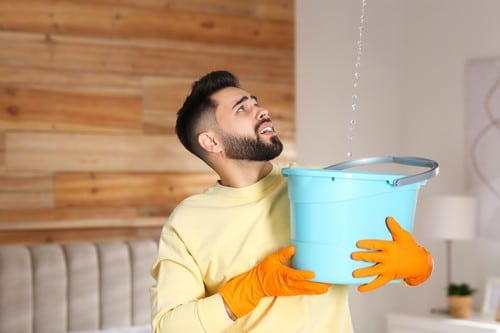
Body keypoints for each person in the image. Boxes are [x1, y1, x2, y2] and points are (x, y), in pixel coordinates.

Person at [150, 70, 433, 332]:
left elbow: (394, 253)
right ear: (211, 142)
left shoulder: (319, 185)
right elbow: (168, 327)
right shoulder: (189, 223)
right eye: (242, 109)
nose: (261, 111)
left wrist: (420, 265)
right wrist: (251, 288)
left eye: (255, 103)